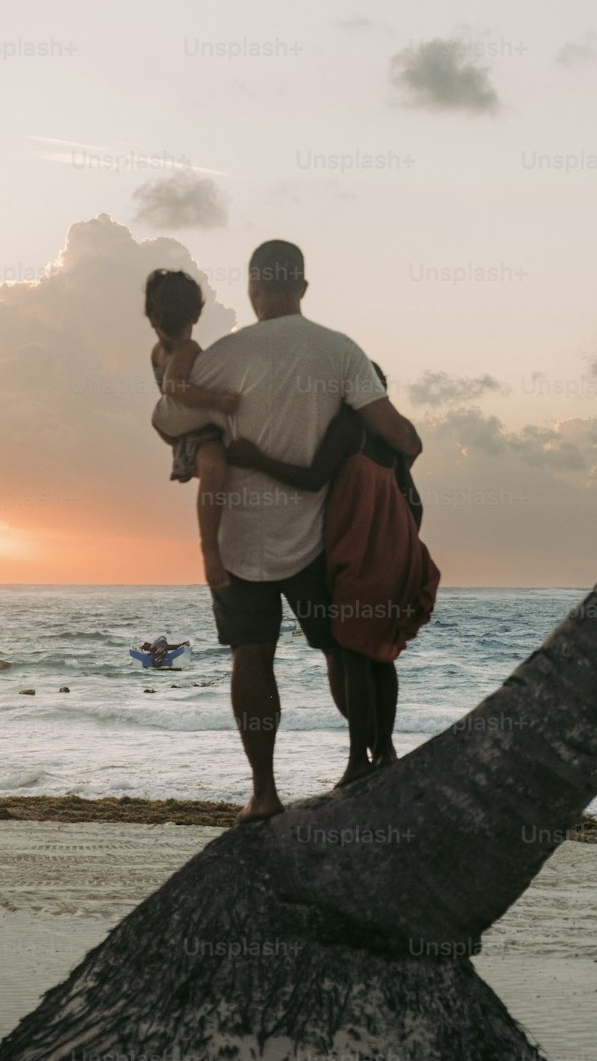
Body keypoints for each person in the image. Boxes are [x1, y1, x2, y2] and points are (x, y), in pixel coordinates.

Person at [152, 240, 422, 823]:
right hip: (319, 537)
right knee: (340, 652)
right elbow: (396, 432)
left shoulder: (223, 354)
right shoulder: (340, 350)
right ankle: (373, 762)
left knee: (251, 657)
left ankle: (265, 792)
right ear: (302, 287)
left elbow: (166, 419)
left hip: (234, 542)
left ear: (252, 288)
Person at [226, 362, 440, 786]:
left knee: (355, 656)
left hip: (360, 554)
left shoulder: (348, 428)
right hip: (394, 551)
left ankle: (358, 760)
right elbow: (414, 503)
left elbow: (310, 480)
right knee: (379, 652)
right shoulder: (393, 438)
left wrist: (256, 458)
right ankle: (385, 750)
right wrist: (401, 546)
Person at [145, 268, 240, 589]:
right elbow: (173, 386)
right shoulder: (186, 350)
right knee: (215, 469)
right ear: (195, 316)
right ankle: (211, 550)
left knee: (218, 474)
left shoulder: (160, 349)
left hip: (182, 430)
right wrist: (215, 400)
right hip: (196, 431)